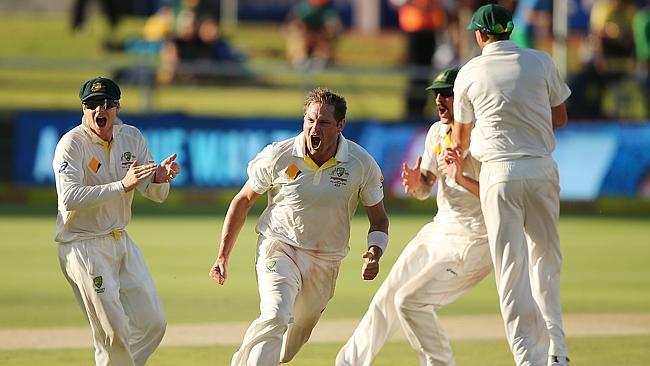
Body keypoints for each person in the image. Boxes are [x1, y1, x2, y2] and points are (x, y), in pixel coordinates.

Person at [208, 87, 390, 366]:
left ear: (341, 125)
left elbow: (379, 219)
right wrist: (222, 255)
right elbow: (243, 200)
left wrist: (374, 252)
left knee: (287, 348)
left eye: (324, 122)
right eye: (309, 120)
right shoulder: (279, 155)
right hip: (279, 246)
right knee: (275, 314)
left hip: (325, 260)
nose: (314, 128)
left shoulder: (360, 163)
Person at [336, 67, 492, 366]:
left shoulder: (483, 137)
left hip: (474, 239)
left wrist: (460, 177)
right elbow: (425, 188)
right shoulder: (436, 132)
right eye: (437, 95)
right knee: (387, 297)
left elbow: (498, 197)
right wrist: (416, 184)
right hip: (439, 230)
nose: (440, 101)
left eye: (447, 94)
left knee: (409, 302)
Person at [451, 4, 571, 366]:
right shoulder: (542, 61)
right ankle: (558, 354)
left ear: (479, 35)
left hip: (498, 174)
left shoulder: (470, 72)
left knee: (511, 270)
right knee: (545, 264)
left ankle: (527, 359)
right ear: (509, 30)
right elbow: (560, 118)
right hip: (540, 167)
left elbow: (460, 139)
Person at [53, 76, 181, 366]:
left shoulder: (131, 137)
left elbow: (154, 192)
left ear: (117, 108)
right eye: (94, 104)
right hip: (83, 246)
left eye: (108, 104)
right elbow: (69, 198)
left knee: (153, 324)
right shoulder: (71, 145)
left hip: (120, 240)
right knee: (113, 335)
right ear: (84, 109)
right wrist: (122, 185)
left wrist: (160, 179)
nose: (101, 109)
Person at [390, 0, 447, 120]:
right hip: (414, 28)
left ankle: (421, 108)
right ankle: (413, 110)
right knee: (415, 71)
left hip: (431, 28)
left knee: (426, 72)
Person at [285, 0, 343, 69]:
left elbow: (334, 26)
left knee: (327, 37)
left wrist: (331, 30)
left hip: (320, 34)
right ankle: (299, 58)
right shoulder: (304, 8)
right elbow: (292, 22)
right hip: (305, 32)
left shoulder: (328, 10)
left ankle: (320, 59)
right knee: (297, 34)